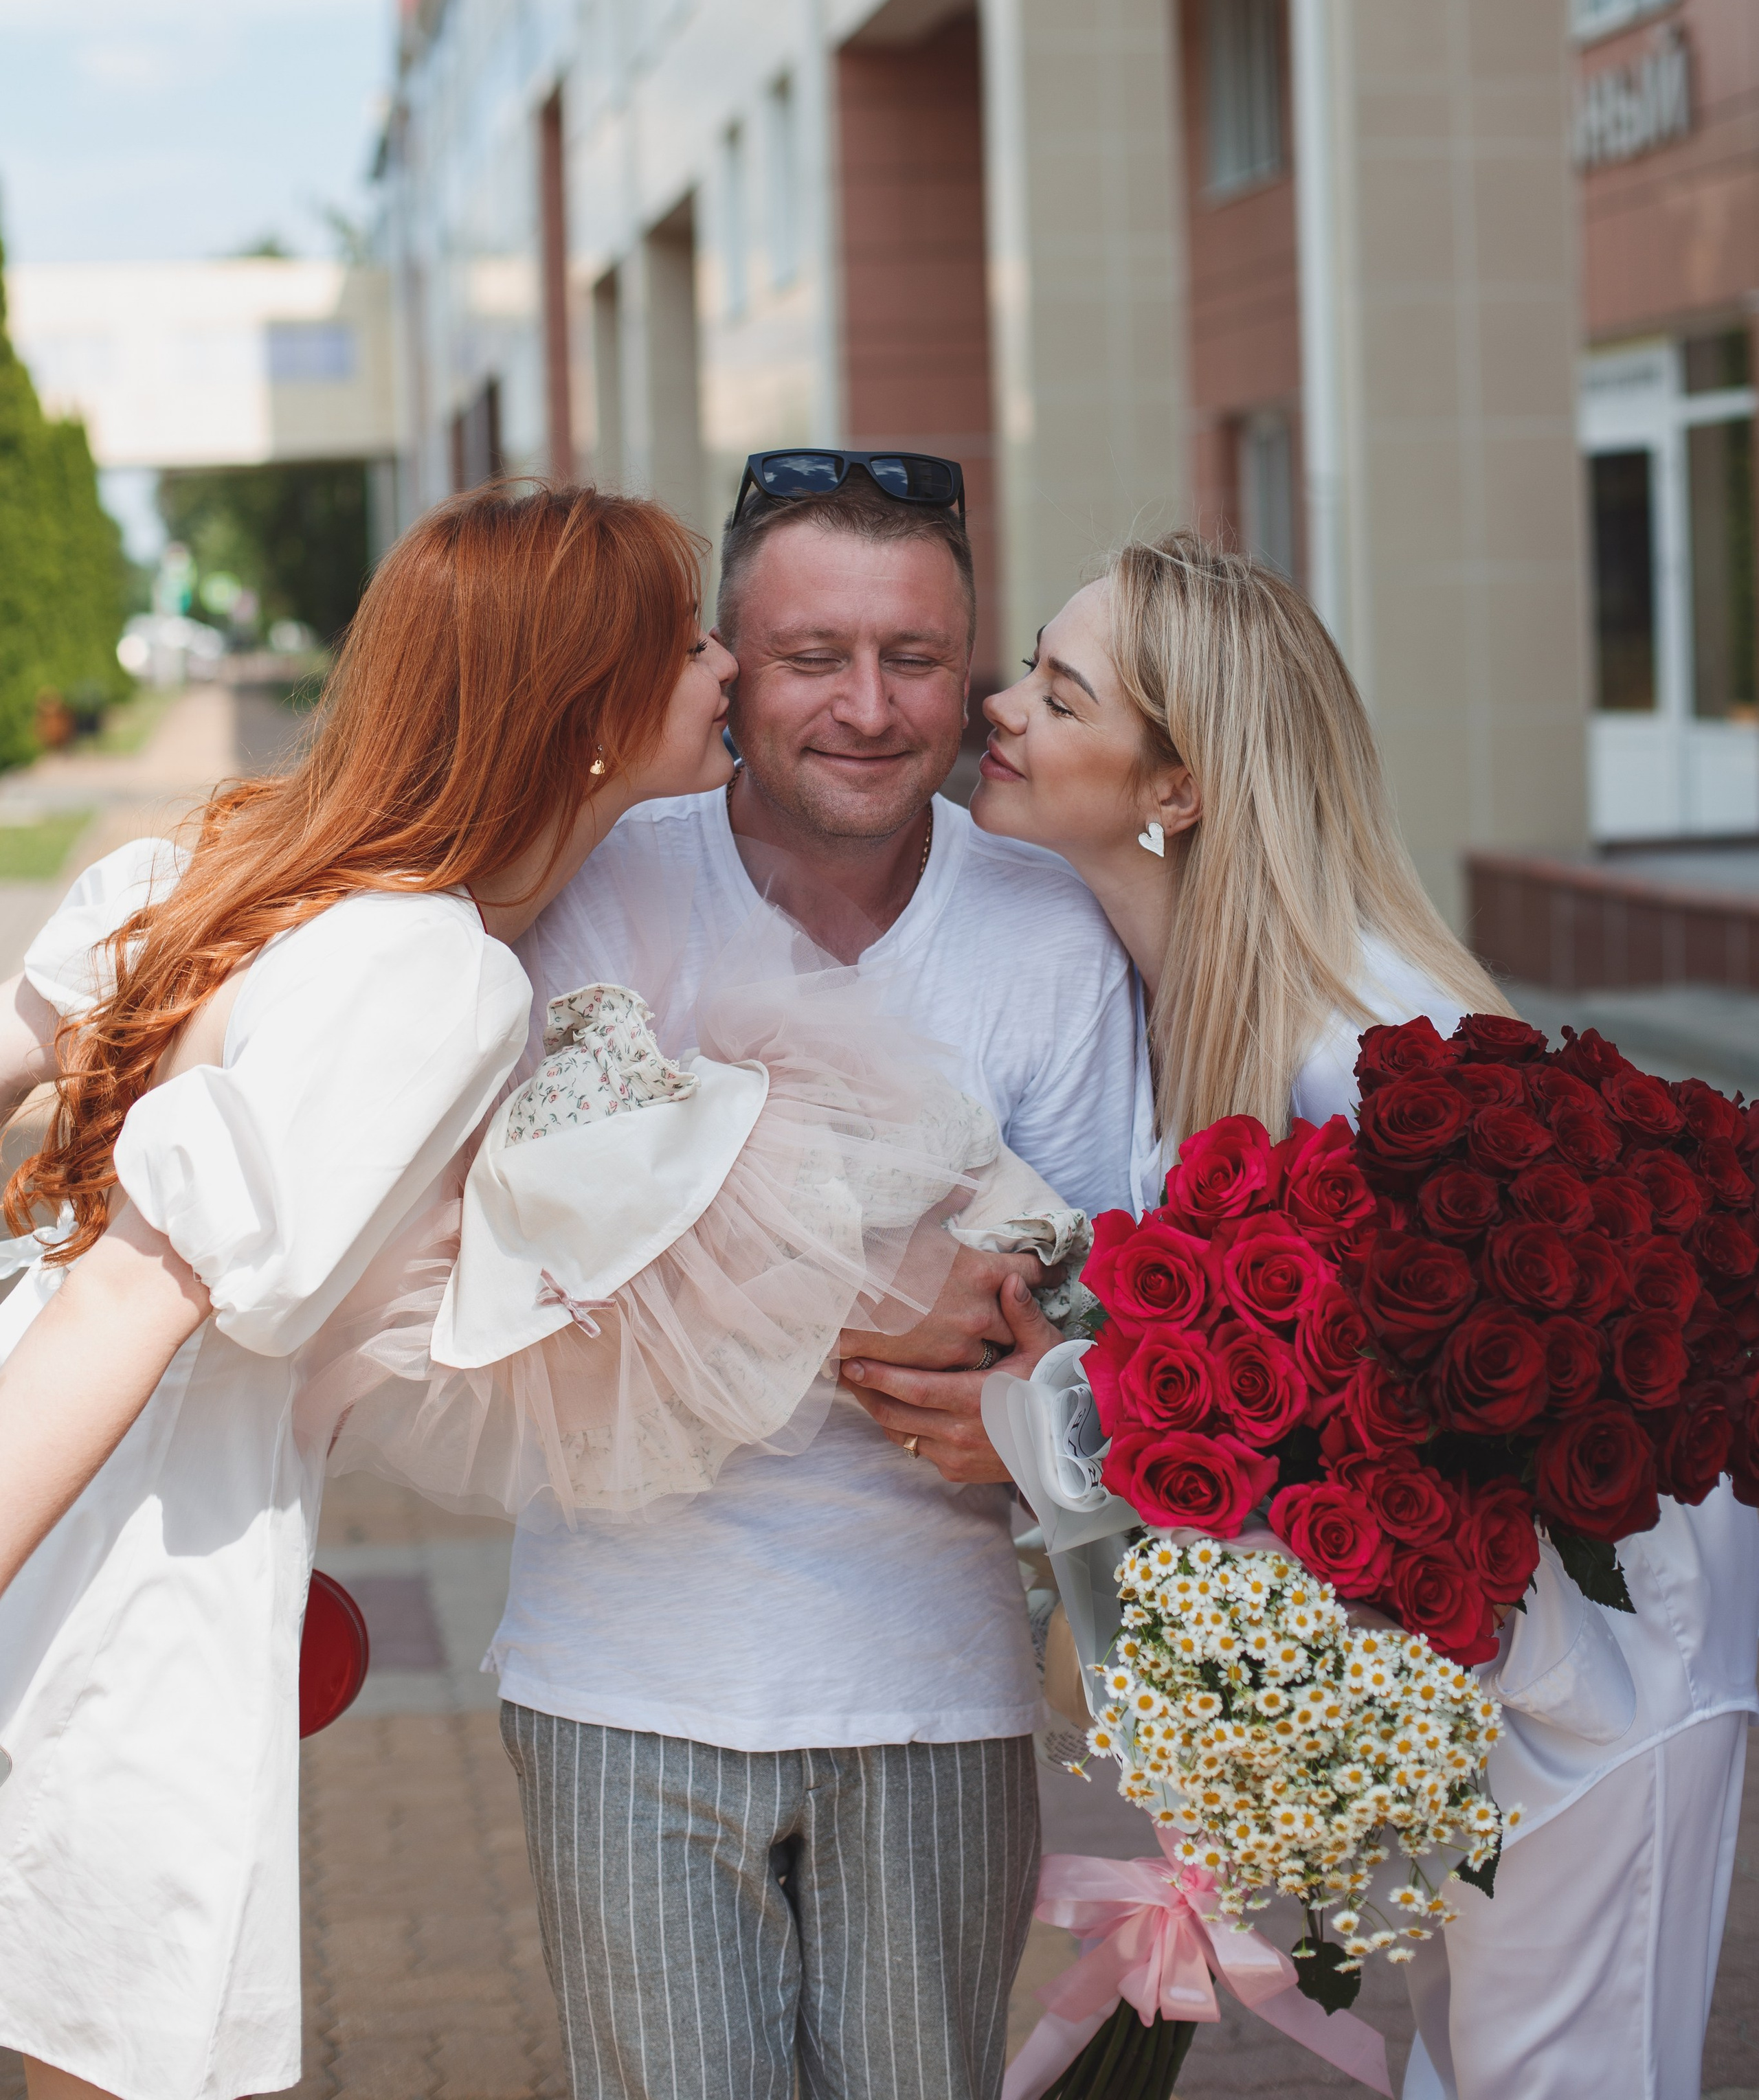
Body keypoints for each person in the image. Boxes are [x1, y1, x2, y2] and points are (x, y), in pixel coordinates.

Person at [950, 528, 1759, 2100]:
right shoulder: (1184, 997)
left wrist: (1064, 1428)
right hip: (1491, 1674)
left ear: (1173, 787)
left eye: (1056, 693)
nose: (1002, 707)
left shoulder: (1373, 1042)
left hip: (1608, 1683)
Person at [0, 484, 739, 2100]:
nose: (728, 667)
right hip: (132, 1551)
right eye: (689, 643)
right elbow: (142, 1298)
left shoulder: (235, 856)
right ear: (587, 712)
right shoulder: (430, 973)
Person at [496, 449, 1143, 2100]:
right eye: (809, 659)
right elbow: (525, 1265)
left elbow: (1090, 1313)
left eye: (913, 659)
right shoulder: (599, 881)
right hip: (622, 1675)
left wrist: (1008, 1386)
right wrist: (885, 1298)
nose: (865, 707)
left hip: (930, 1683)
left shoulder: (1043, 930)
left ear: (968, 668)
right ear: (726, 666)